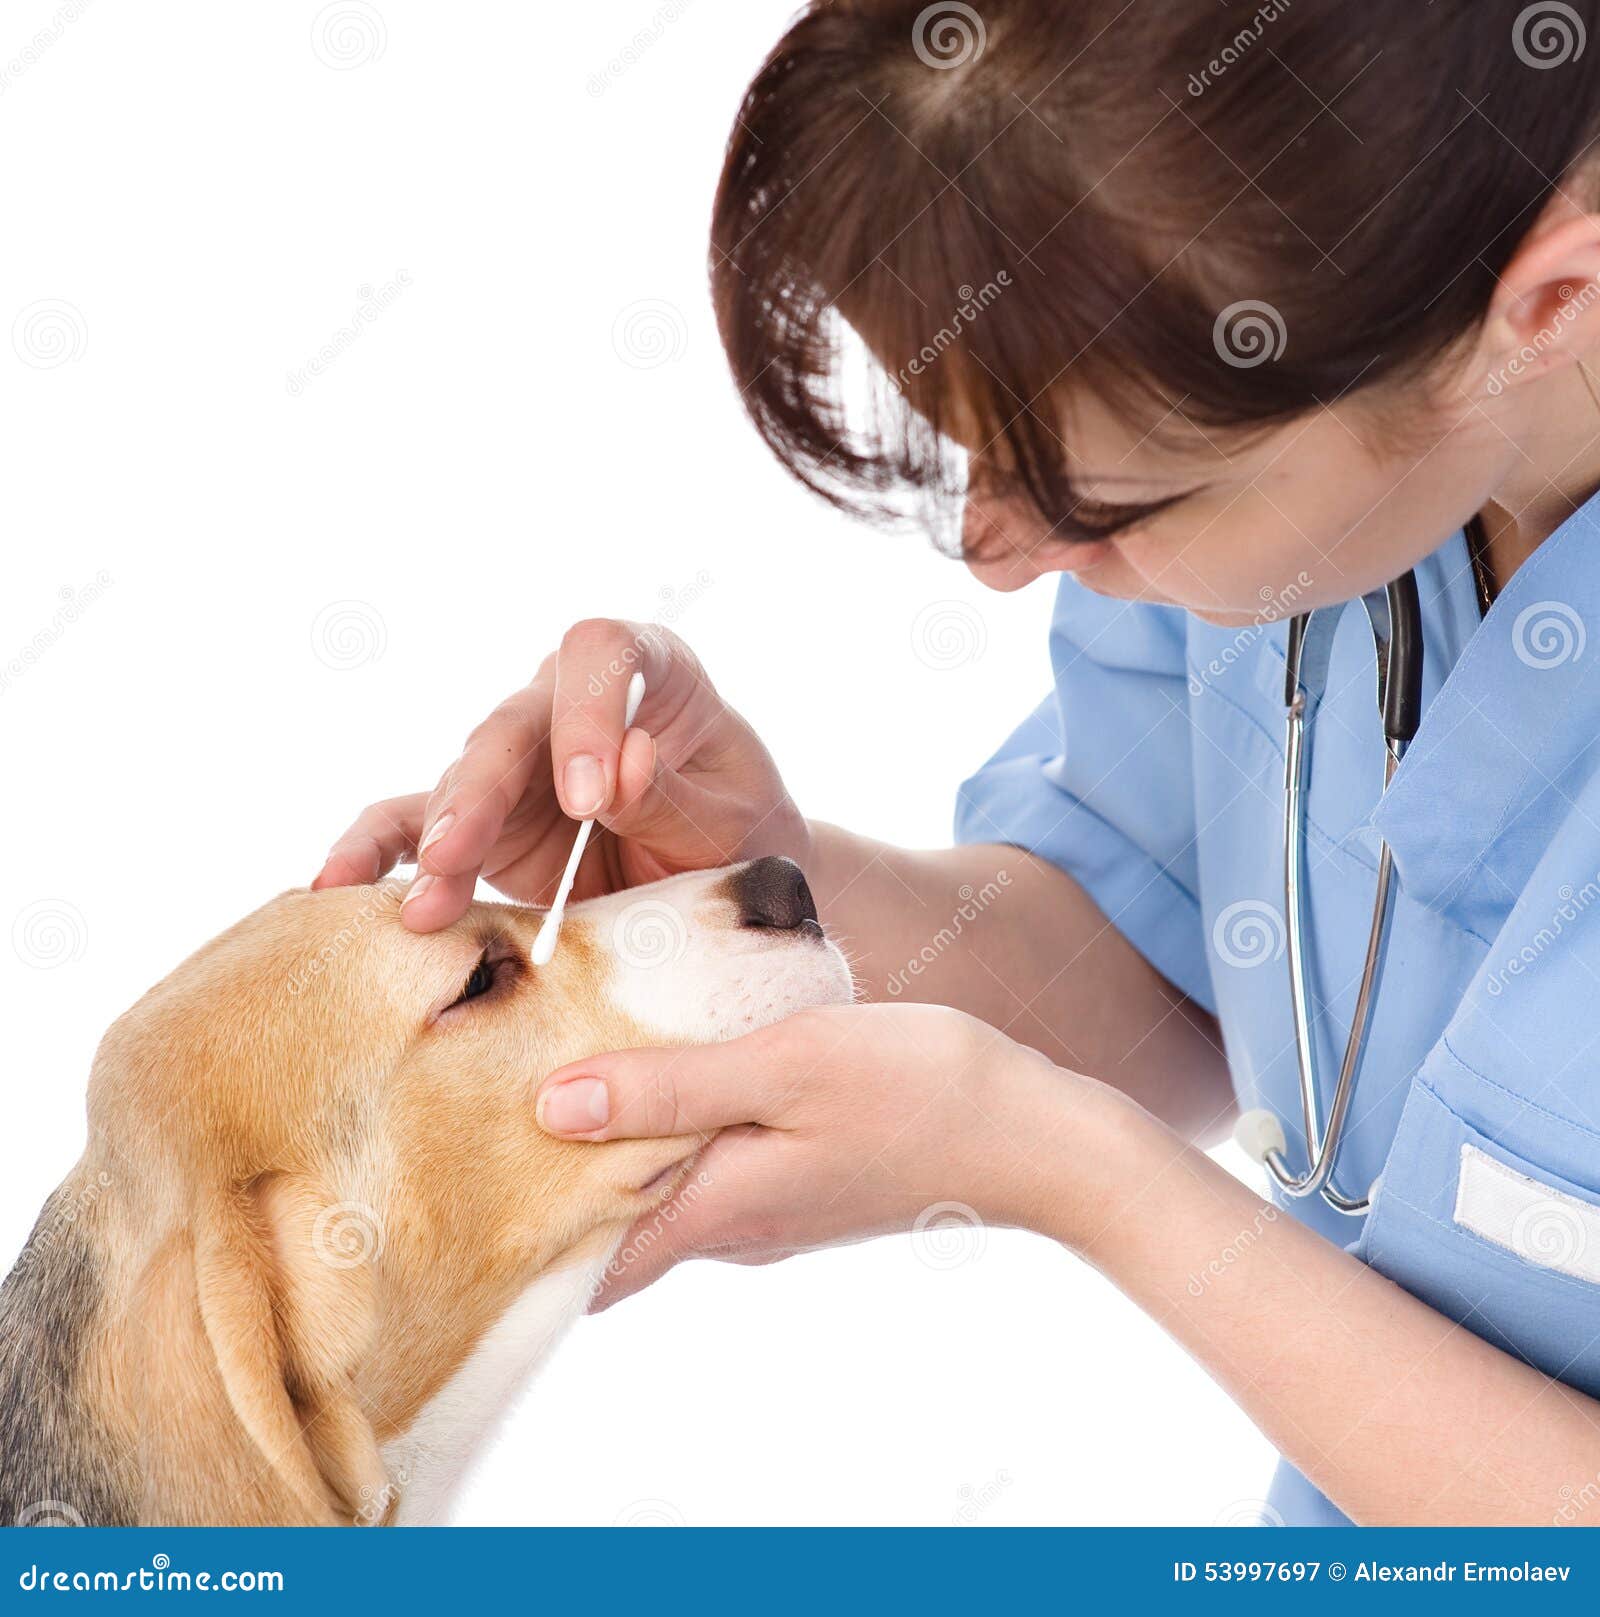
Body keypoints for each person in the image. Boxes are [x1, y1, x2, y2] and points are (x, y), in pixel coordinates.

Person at [316, 0, 1600, 1525]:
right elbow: (1173, 952)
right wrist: (760, 877)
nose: (1001, 558)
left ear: (1551, 304)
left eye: (1106, 500)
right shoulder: (1308, 433)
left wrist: (1070, 1175)